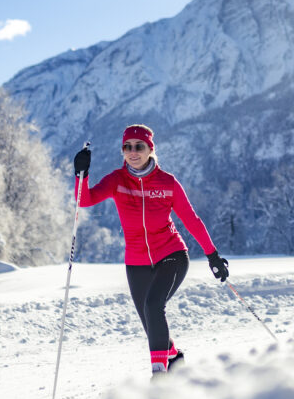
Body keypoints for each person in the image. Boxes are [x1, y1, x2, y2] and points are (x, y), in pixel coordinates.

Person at [72, 124, 230, 378]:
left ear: (150, 149)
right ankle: (174, 357)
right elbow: (85, 200)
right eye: (127, 147)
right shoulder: (117, 180)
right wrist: (82, 174)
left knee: (154, 305)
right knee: (149, 318)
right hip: (137, 260)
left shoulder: (167, 183)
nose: (133, 152)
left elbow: (192, 220)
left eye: (139, 146)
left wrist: (213, 255)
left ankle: (159, 374)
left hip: (171, 254)